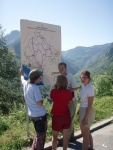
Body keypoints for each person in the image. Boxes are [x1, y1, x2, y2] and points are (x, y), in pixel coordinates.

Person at [20, 68, 47, 150]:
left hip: (33, 115)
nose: (41, 78)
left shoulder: (26, 84)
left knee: (39, 134)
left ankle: (34, 148)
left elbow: (22, 78)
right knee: (41, 136)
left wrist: (21, 74)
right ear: (36, 78)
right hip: (40, 115)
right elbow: (39, 103)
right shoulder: (35, 88)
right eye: (40, 77)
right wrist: (42, 100)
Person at [50, 75, 72, 150]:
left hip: (57, 116)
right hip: (66, 116)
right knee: (65, 137)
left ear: (58, 83)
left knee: (55, 136)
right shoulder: (69, 92)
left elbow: (52, 98)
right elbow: (70, 102)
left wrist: (56, 87)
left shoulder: (53, 92)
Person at [58, 62, 79, 140]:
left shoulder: (70, 76)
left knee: (69, 118)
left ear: (66, 68)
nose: (60, 70)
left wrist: (67, 91)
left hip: (72, 101)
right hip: (65, 101)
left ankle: (66, 138)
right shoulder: (60, 77)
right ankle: (71, 136)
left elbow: (76, 88)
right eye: (59, 68)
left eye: (62, 68)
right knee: (69, 118)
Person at [79, 70, 95, 150]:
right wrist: (79, 109)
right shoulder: (83, 85)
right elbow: (83, 100)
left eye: (84, 77)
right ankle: (91, 148)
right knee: (86, 133)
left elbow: (90, 105)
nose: (82, 79)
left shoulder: (90, 88)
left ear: (89, 78)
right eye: (81, 77)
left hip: (87, 111)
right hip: (82, 109)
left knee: (85, 135)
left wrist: (85, 118)